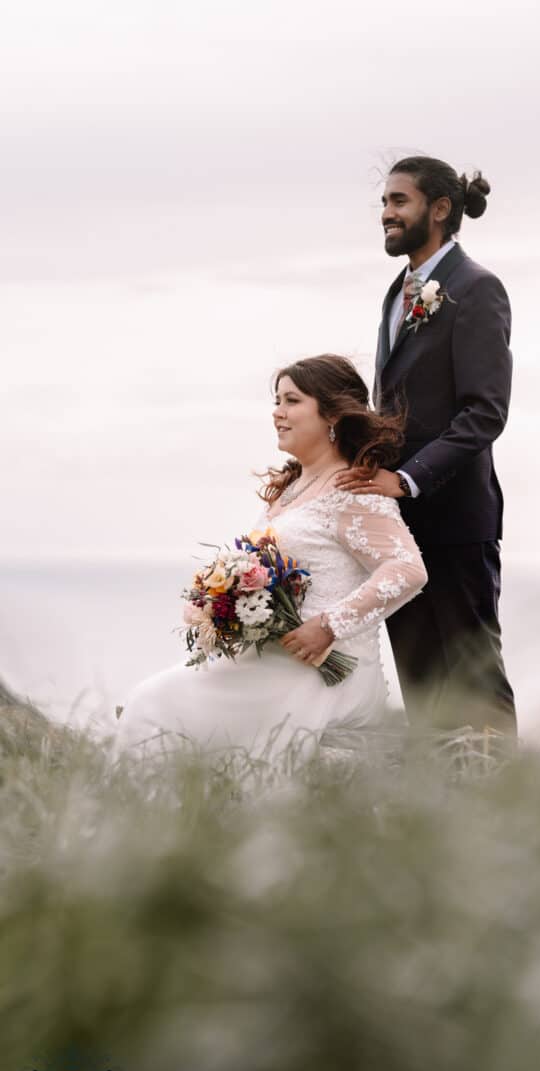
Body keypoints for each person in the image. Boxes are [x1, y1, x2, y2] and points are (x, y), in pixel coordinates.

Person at [115, 355, 427, 770]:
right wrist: (213, 605)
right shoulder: (291, 488)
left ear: (331, 414)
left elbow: (406, 570)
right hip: (272, 660)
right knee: (155, 700)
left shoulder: (355, 490)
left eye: (291, 400)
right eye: (276, 401)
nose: (277, 413)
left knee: (156, 703)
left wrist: (327, 626)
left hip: (326, 670)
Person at [335, 155, 517, 737]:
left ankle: (505, 808)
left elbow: (484, 412)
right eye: (384, 203)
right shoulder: (398, 293)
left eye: (398, 201)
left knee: (472, 679)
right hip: (399, 528)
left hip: (456, 518)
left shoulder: (477, 289)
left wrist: (408, 477)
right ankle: (440, 811)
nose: (386, 214)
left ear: (439, 209)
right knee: (422, 687)